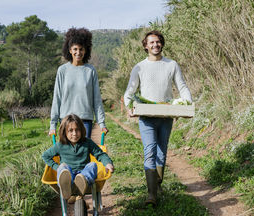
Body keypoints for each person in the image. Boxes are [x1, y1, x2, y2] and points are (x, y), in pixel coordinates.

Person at [124, 30, 192, 206]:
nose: (155, 45)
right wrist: (129, 106)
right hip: (146, 117)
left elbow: (182, 86)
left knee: (162, 152)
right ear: (145, 46)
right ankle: (151, 195)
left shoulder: (172, 65)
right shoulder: (139, 67)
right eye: (151, 42)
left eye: (158, 42)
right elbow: (129, 93)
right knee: (150, 151)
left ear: (162, 44)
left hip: (166, 115)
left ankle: (157, 185)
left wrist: (187, 103)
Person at [49, 27, 108, 139]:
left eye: (81, 49)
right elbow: (57, 98)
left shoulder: (90, 70)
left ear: (86, 51)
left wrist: (102, 123)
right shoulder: (62, 70)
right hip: (65, 120)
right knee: (67, 156)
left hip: (85, 120)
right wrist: (53, 125)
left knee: (84, 155)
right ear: (70, 50)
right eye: (75, 49)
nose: (78, 52)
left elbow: (96, 99)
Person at [42, 114, 114, 200]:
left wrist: (108, 163)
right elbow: (45, 156)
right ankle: (66, 185)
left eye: (77, 130)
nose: (74, 134)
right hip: (68, 174)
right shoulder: (60, 145)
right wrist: (56, 167)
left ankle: (83, 182)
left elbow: (100, 154)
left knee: (92, 165)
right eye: (70, 130)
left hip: (83, 173)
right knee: (63, 167)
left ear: (82, 130)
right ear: (64, 132)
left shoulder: (87, 142)